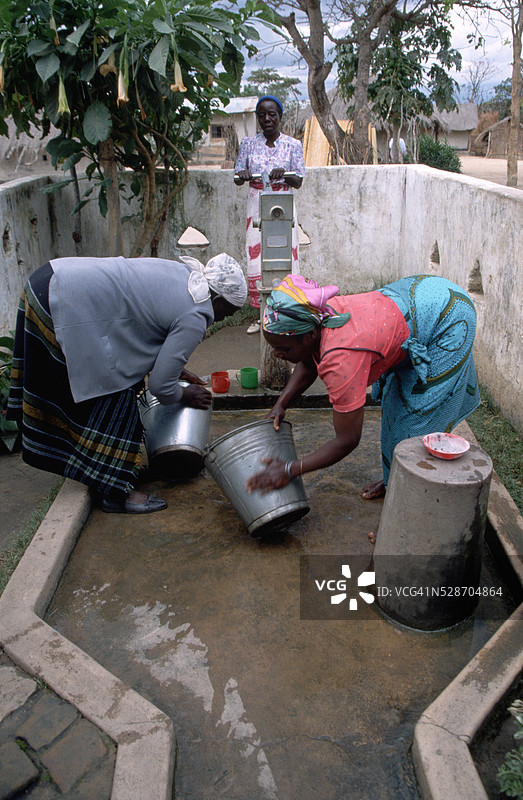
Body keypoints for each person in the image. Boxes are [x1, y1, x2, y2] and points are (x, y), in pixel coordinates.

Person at [7, 254, 247, 514]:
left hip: (50, 279)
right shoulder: (198, 312)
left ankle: (108, 472)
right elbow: (160, 387)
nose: (223, 320)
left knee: (113, 377)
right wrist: (185, 396)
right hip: (64, 299)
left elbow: (147, 320)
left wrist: (176, 370)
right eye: (228, 312)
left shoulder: (187, 278)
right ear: (217, 300)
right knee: (115, 388)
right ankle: (116, 493)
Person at [245, 273, 480, 539]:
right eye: (275, 348)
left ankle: (404, 524)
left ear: (310, 334)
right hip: (414, 299)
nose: (278, 354)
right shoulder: (317, 318)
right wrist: (281, 404)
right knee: (394, 412)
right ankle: (396, 481)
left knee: (414, 424)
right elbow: (310, 360)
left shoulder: (341, 359)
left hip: (446, 315)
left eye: (284, 349)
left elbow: (347, 440)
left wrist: (289, 470)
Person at [234, 95, 305, 334]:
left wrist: (284, 173)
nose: (267, 119)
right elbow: (237, 176)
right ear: (258, 118)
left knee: (285, 255)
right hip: (256, 202)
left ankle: (286, 313)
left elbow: (298, 181)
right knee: (257, 257)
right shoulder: (248, 144)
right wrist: (243, 174)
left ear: (280, 117)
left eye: (271, 114)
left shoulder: (293, 145)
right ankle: (261, 315)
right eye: (262, 115)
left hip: (283, 203)